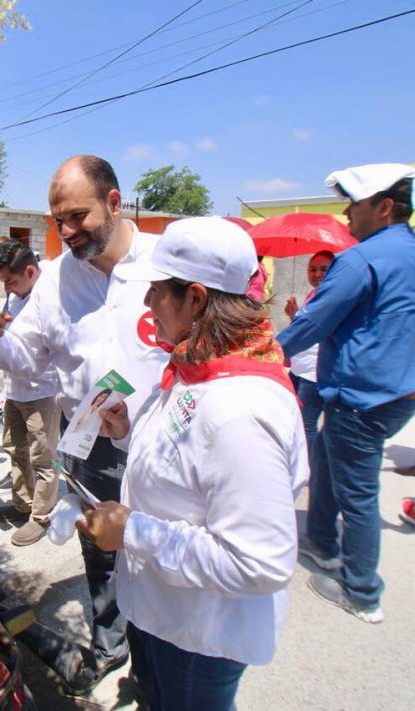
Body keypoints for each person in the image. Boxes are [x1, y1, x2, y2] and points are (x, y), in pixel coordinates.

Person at [78, 216, 308, 711]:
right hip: (164, 612)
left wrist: (132, 532)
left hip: (198, 635)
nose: (146, 304)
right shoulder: (202, 364)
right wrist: (130, 434)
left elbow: (258, 561)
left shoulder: (241, 411)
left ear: (197, 299)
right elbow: (191, 461)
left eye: (157, 291)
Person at [0, 155, 170, 693]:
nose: (65, 231)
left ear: (114, 202)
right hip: (90, 445)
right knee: (102, 553)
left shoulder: (165, 262)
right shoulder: (57, 279)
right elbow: (28, 357)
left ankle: (156, 669)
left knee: (160, 558)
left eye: (77, 216)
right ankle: (110, 646)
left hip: (161, 441)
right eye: (57, 218)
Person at [278, 163, 415, 624]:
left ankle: (361, 590)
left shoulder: (360, 259)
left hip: (362, 396)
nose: (347, 212)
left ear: (384, 207)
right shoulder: (409, 251)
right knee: (330, 467)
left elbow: (316, 321)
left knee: (356, 494)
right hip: (397, 392)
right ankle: (320, 540)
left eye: (354, 204)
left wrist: (264, 353)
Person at [0, 241, 62, 546]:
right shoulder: (17, 296)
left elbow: (47, 352)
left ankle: (41, 516)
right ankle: (23, 505)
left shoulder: (51, 298)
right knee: (15, 450)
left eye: (10, 280)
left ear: (30, 271)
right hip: (16, 390)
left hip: (42, 392)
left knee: (43, 458)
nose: (7, 287)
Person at [283, 250, 334, 451]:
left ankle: (309, 469)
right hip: (299, 368)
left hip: (314, 372)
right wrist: (294, 315)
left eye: (324, 269)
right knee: (295, 417)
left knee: (307, 424)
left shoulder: (331, 298)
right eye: (313, 269)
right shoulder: (313, 295)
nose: (317, 274)